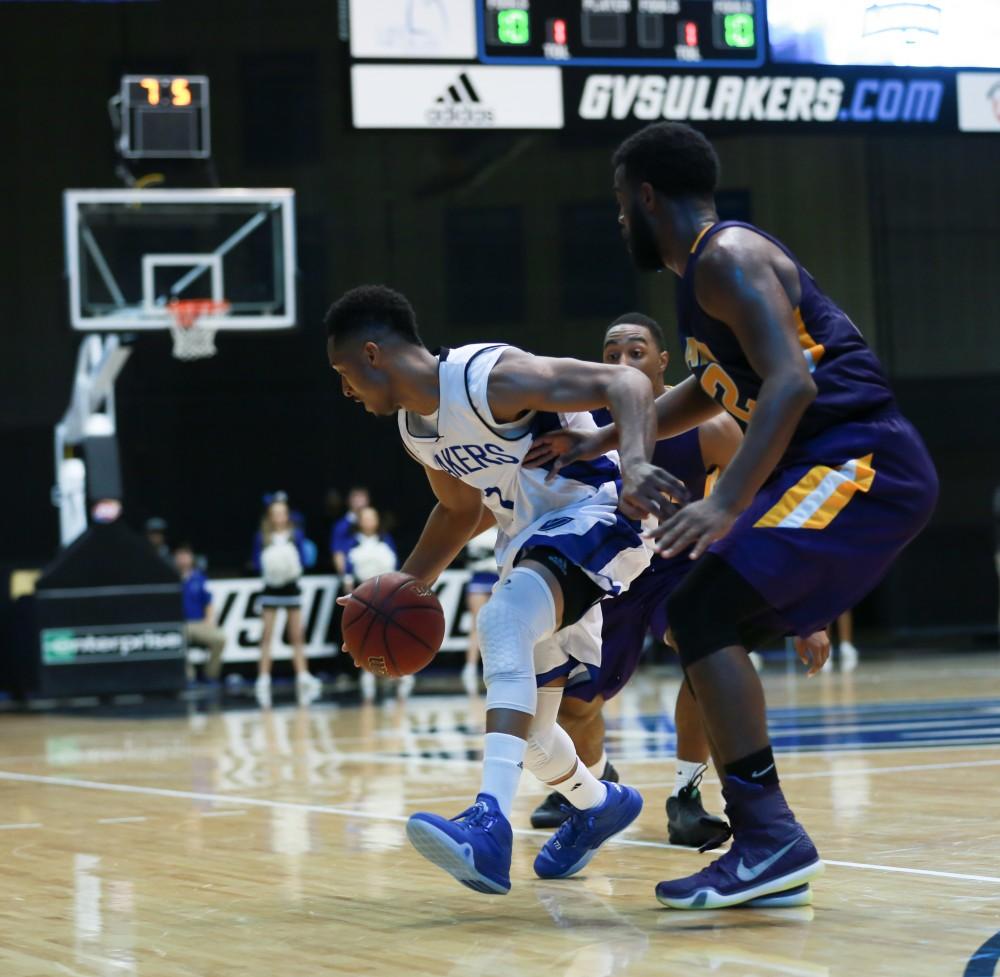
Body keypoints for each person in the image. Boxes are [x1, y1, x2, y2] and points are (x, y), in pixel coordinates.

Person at [536, 122, 937, 909]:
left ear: (647, 197)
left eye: (623, 206)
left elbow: (791, 383)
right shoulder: (703, 278)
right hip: (835, 464)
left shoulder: (727, 257)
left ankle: (767, 837)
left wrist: (723, 501)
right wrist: (604, 442)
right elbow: (710, 389)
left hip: (862, 460)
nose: (622, 223)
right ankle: (764, 835)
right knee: (705, 614)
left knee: (702, 604)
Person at [325, 284, 679, 895]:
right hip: (530, 543)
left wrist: (638, 462)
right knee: (535, 733)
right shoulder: (417, 430)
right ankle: (598, 804)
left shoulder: (488, 377)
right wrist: (399, 590)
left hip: (600, 512)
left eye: (344, 372)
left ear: (373, 353)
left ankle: (489, 823)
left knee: (502, 622)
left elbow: (629, 386)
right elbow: (461, 512)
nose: (345, 390)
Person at [528, 312, 743, 846]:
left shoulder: (710, 426)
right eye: (612, 355)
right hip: (607, 572)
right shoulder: (579, 423)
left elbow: (750, 507)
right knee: (578, 705)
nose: (622, 363)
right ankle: (595, 785)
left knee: (705, 650)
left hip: (675, 564)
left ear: (663, 361)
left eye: (636, 353)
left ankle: (687, 796)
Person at [252, 493, 322, 708]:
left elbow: (303, 559)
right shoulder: (262, 537)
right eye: (275, 513)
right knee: (267, 634)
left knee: (296, 634)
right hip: (271, 588)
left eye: (283, 513)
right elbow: (256, 562)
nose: (279, 517)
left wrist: (290, 567)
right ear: (270, 516)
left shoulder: (296, 535)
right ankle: (263, 678)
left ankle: (302, 675)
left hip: (291, 588)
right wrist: (272, 567)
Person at [345, 505, 412, 701]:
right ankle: (367, 672)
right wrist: (349, 586)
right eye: (365, 518)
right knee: (366, 635)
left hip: (386, 591)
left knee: (394, 634)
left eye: (372, 517)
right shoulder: (353, 542)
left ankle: (400, 671)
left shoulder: (386, 540)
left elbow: (396, 565)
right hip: (362, 592)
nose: (368, 521)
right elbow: (348, 568)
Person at [174, 542, 227, 683]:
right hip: (179, 625)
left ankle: (211, 675)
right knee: (175, 640)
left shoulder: (199, 578)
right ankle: (188, 677)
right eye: (180, 555)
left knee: (220, 638)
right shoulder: (170, 577)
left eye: (186, 555)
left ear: (191, 558)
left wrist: (209, 621)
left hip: (199, 624)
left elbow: (208, 603)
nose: (183, 559)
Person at [461, 524, 499, 694]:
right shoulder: (476, 531)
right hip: (478, 579)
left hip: (500, 578)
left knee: (501, 626)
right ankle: (470, 667)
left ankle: (499, 667)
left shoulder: (508, 529)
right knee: (477, 624)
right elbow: (471, 557)